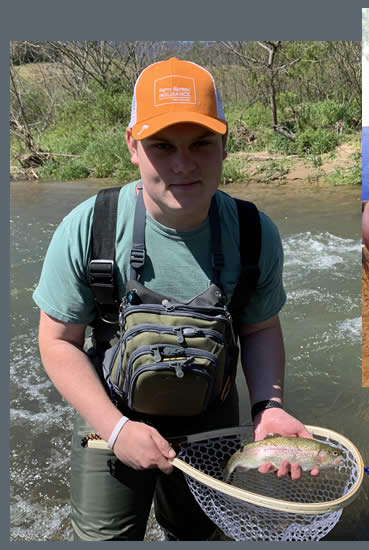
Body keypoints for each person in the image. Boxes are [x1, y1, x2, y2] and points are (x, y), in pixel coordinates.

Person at [34, 57, 313, 541]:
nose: (183, 163)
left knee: (195, 535)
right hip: (111, 412)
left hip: (212, 418)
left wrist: (268, 406)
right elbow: (58, 341)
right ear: (132, 147)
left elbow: (261, 327)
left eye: (201, 143)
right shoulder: (89, 227)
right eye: (162, 146)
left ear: (225, 143)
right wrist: (117, 430)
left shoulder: (255, 233)